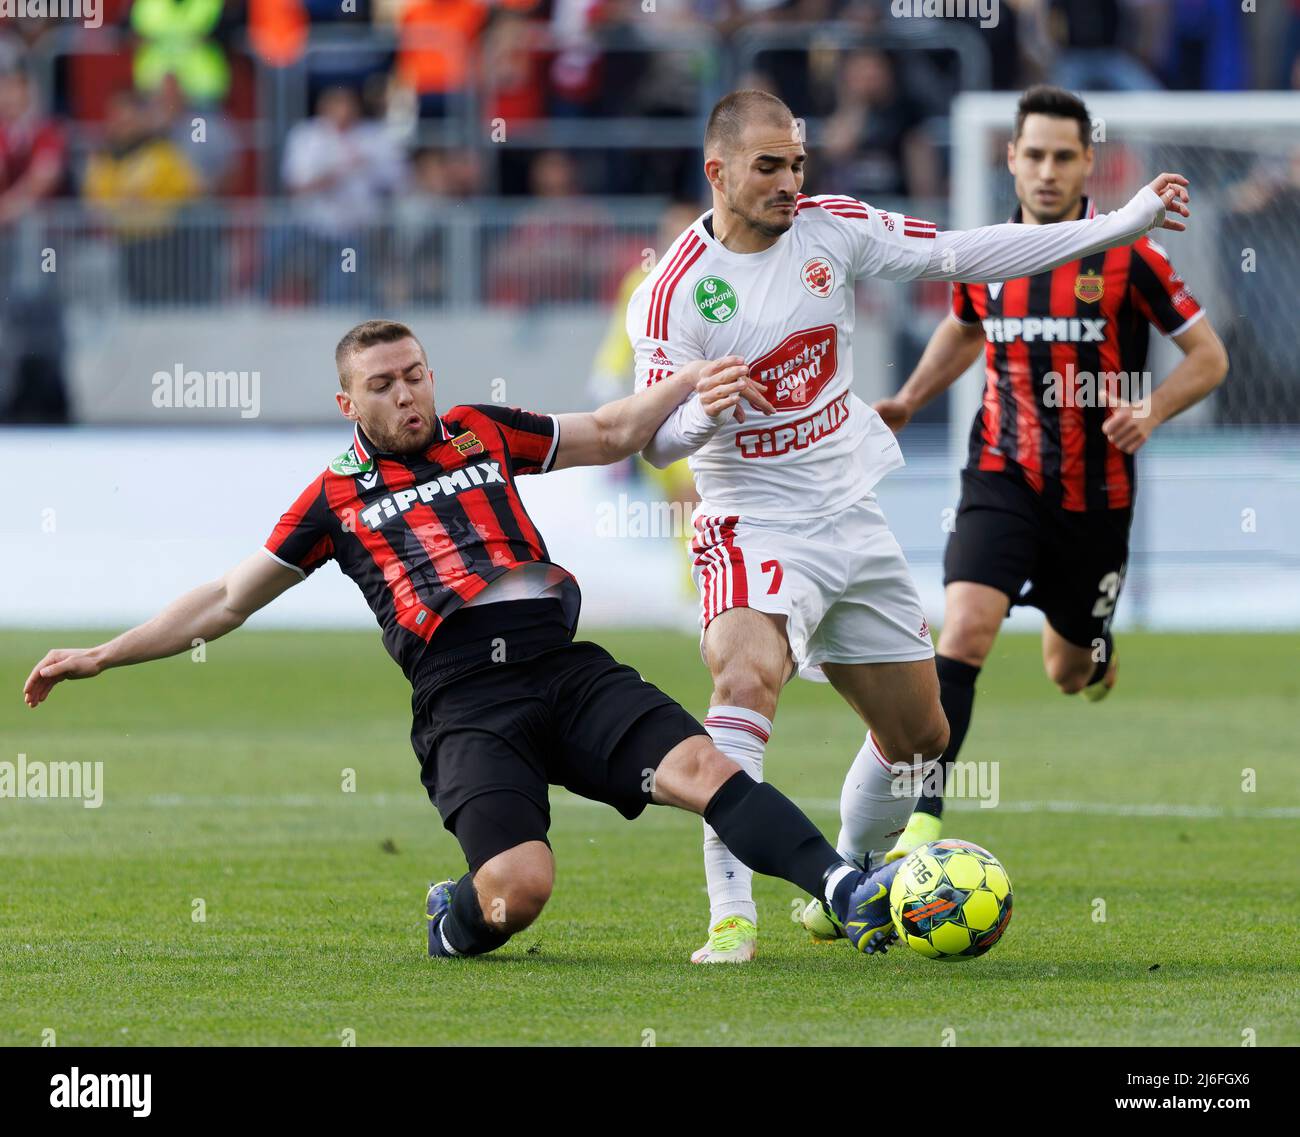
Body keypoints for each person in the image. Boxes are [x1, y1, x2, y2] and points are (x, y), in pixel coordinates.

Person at [22, 319, 908, 961]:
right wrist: (101, 654)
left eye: (414, 373)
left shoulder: (482, 431)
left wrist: (686, 382)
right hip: (463, 703)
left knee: (709, 769)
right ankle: (458, 915)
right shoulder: (332, 498)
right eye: (383, 384)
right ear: (348, 402)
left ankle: (845, 889)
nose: (406, 392)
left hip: (564, 668)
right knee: (519, 890)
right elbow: (224, 598)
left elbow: (607, 433)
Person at [626, 88, 1193, 963]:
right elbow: (653, 437)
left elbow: (968, 251)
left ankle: (847, 881)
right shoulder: (671, 296)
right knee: (745, 681)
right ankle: (729, 911)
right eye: (768, 167)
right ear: (719, 172)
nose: (789, 182)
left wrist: (1118, 224)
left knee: (920, 739)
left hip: (849, 511)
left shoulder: (834, 228)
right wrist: (700, 413)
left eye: (798, 164)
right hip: (751, 515)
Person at [872, 86, 1229, 855]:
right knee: (964, 630)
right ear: (1010, 158)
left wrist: (1153, 409)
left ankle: (1093, 648)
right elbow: (965, 328)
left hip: (1096, 499)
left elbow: (1210, 358)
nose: (1046, 170)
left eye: (1064, 155)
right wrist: (906, 399)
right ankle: (921, 827)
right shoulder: (986, 253)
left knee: (1070, 670)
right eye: (1033, 153)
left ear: (1088, 162)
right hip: (1001, 476)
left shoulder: (1131, 254)